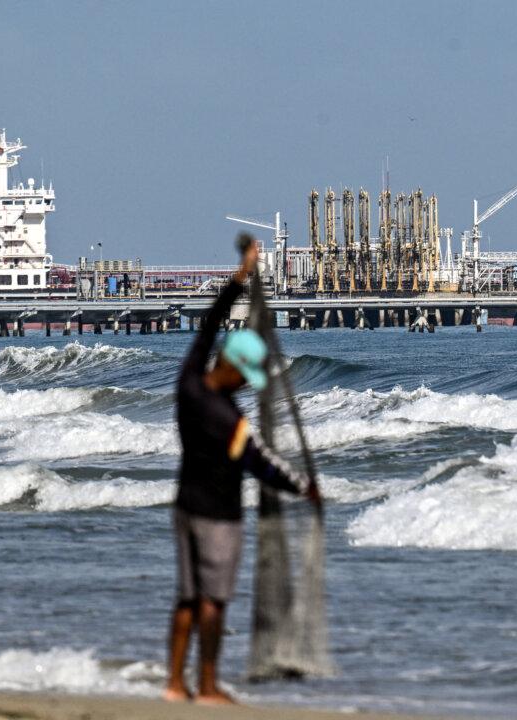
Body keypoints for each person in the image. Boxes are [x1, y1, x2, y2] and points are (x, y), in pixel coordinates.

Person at [166, 242, 320, 705]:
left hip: (184, 507)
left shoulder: (190, 384)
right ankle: (209, 686)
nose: (245, 385)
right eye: (245, 375)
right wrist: (302, 487)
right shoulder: (229, 421)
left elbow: (208, 327)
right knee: (213, 602)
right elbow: (259, 463)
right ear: (233, 367)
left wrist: (239, 277)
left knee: (187, 599)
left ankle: (175, 683)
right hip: (218, 517)